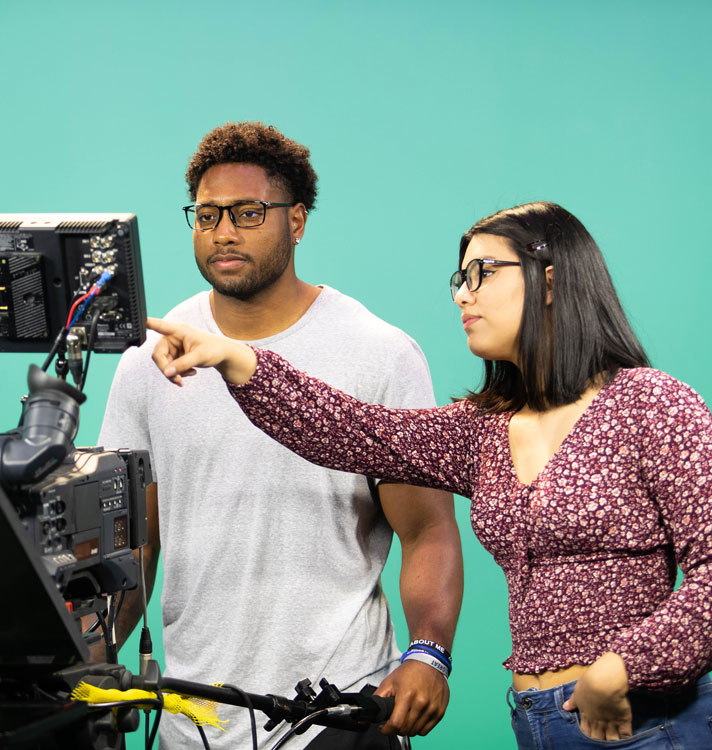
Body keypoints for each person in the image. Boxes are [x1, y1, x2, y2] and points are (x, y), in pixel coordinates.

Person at [146, 200, 712, 749]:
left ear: (551, 282)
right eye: (458, 279)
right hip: (539, 722)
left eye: (481, 274)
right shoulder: (485, 428)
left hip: (642, 722)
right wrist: (236, 359)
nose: (461, 295)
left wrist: (622, 667)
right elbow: (355, 431)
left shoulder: (652, 405)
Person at [97, 122, 463, 749]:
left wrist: (429, 654)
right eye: (207, 214)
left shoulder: (378, 353)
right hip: (193, 719)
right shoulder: (149, 359)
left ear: (296, 220)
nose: (224, 231)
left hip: (338, 709)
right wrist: (91, 660)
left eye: (247, 212)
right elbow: (135, 548)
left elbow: (427, 529)